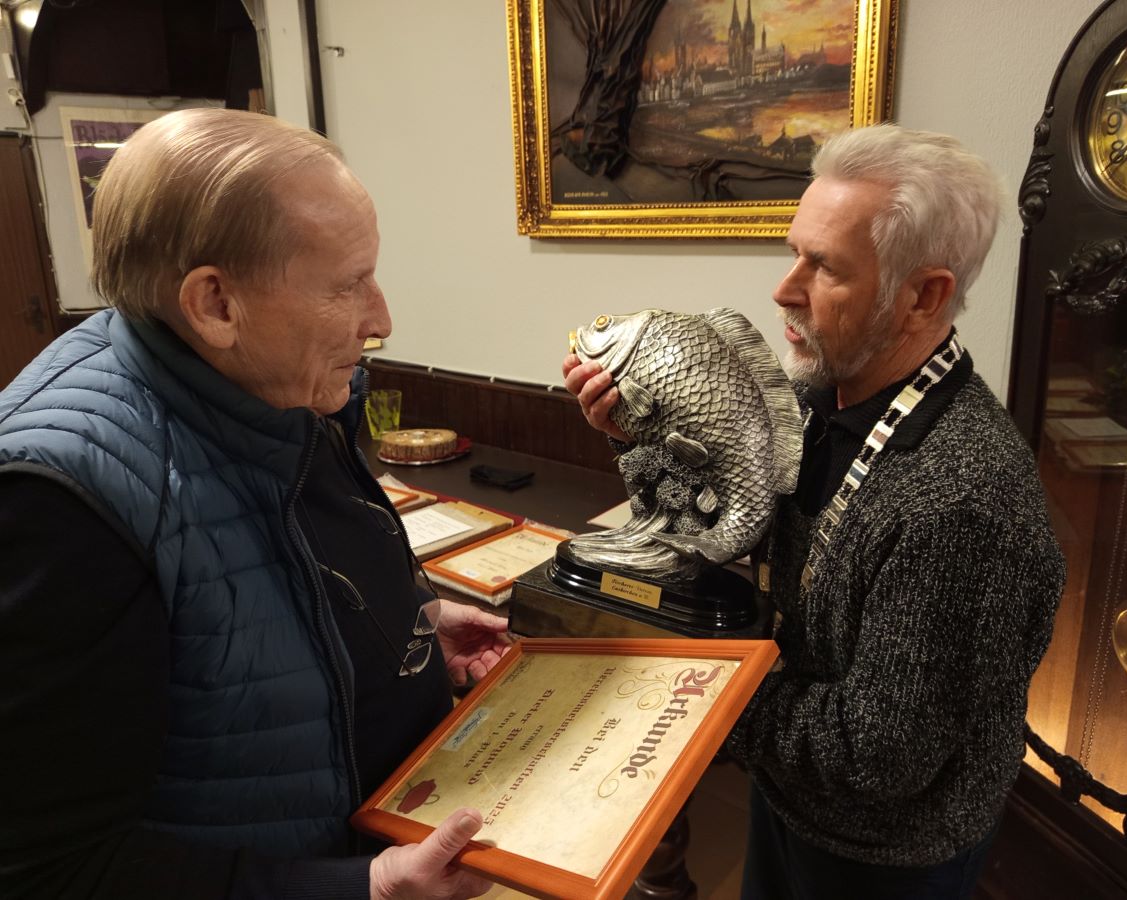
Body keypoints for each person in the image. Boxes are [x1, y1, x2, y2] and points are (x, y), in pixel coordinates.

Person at [0, 108, 509, 899]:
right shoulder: (59, 499)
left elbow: (257, 580)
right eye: (347, 286)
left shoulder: (270, 381)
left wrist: (401, 633)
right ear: (215, 305)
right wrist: (363, 889)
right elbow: (51, 870)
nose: (381, 319)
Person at [564, 125, 1064, 899]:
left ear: (924, 296)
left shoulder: (963, 504)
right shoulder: (815, 397)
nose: (784, 289)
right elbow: (720, 517)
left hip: (883, 854)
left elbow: (879, 756)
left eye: (823, 265)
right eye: (794, 252)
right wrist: (641, 435)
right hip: (789, 794)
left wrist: (702, 685)